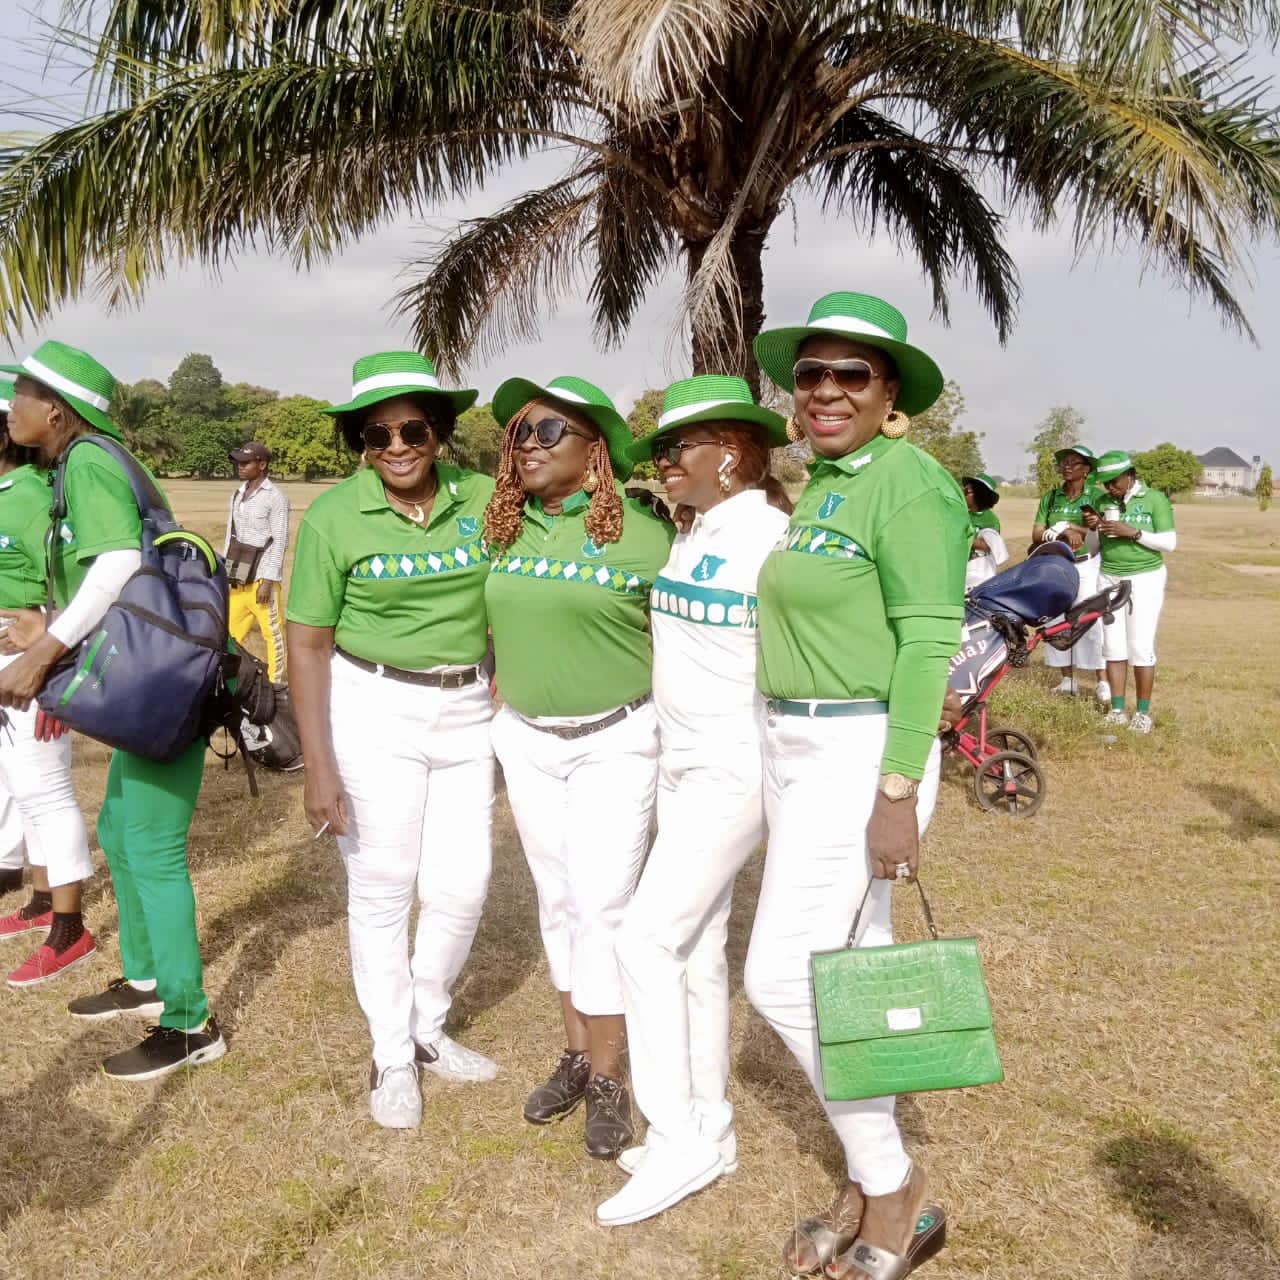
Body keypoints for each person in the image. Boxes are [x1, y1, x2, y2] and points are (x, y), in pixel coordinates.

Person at [746, 292, 966, 1278]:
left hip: (858, 751)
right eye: (810, 374)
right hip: (798, 746)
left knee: (780, 974)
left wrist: (894, 788)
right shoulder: (829, 481)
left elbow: (927, 642)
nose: (827, 390)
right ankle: (863, 1176)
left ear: (889, 397)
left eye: (851, 375)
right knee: (855, 970)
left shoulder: (909, 483)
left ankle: (894, 1186)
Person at [287, 351, 499, 1130]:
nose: (397, 446)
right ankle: (391, 1052)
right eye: (376, 436)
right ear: (360, 444)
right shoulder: (336, 517)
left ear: (440, 432)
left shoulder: (484, 497)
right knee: (383, 884)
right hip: (373, 706)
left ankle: (428, 1025)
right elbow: (306, 644)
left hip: (468, 705)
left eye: (413, 428)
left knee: (465, 882)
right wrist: (319, 767)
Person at [0, 341, 223, 1078]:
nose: (13, 408)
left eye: (23, 393)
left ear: (55, 408)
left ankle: (191, 1024)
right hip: (139, 675)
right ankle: (148, 977)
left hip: (161, 681)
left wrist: (47, 651)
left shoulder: (90, 459)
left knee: (153, 849)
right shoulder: (81, 461)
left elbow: (121, 562)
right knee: (123, 831)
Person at [598, 376, 791, 1226]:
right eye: (660, 451)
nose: (664, 462)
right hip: (681, 762)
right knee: (700, 946)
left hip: (733, 768)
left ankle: (675, 1138)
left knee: (644, 939)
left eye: (678, 449)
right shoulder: (694, 531)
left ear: (733, 454)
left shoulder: (774, 541)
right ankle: (709, 1119)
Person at [484, 374, 673, 1160]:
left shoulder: (646, 535)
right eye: (518, 433)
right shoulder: (501, 527)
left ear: (596, 447)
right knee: (558, 903)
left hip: (617, 739)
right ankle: (575, 1053)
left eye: (547, 430)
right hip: (526, 739)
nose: (526, 444)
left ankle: (609, 1077)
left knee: (604, 907)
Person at [0, 376, 96, 988]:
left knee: (46, 789)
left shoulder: (35, 494)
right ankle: (39, 900)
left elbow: (82, 580)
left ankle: (71, 927)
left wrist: (60, 661)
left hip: (37, 658)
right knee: (21, 786)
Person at [1084, 451, 1176, 734]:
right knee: (1112, 646)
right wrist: (1092, 529)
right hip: (1109, 575)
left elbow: (1170, 543)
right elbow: (1091, 549)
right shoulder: (1103, 502)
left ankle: (1143, 713)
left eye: (1113, 482)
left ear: (1129, 475)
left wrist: (1133, 533)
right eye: (1105, 484)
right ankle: (1117, 709)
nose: (1109, 488)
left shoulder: (1154, 499)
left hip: (1145, 577)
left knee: (1140, 646)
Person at [1032, 445, 1109, 701]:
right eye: (1064, 462)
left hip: (1085, 563)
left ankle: (1103, 680)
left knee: (1088, 617)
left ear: (1086, 470)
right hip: (1055, 563)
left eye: (1075, 463)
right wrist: (1064, 531)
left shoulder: (1096, 497)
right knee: (1056, 619)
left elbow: (1101, 530)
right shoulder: (1051, 497)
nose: (1067, 466)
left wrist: (1072, 527)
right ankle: (1068, 678)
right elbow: (1037, 533)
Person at [224, 441, 290, 682]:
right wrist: (225, 571)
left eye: (246, 462)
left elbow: (280, 539)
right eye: (238, 462)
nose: (240, 467)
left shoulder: (275, 498)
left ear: (262, 465)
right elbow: (230, 535)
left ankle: (276, 684)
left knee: (272, 635)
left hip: (262, 577)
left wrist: (269, 581)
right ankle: (229, 680)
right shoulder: (238, 494)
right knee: (229, 634)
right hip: (238, 576)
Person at [962, 473, 1008, 590]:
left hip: (980, 576)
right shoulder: (961, 514)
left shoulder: (990, 520)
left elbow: (988, 546)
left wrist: (960, 537)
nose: (963, 494)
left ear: (979, 494)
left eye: (967, 491)